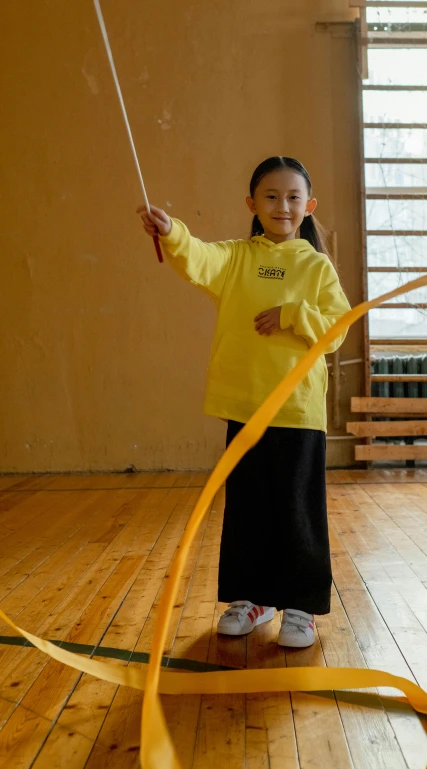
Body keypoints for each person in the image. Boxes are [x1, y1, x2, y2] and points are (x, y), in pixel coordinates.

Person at [138, 156, 350, 647]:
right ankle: (251, 599)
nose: (282, 206)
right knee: (249, 509)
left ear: (309, 207)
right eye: (271, 197)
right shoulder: (235, 258)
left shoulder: (316, 266)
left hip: (297, 411)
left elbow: (337, 329)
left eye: (293, 197)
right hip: (245, 408)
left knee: (298, 510)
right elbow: (197, 257)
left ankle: (300, 607)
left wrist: (293, 313)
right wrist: (171, 232)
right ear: (252, 204)